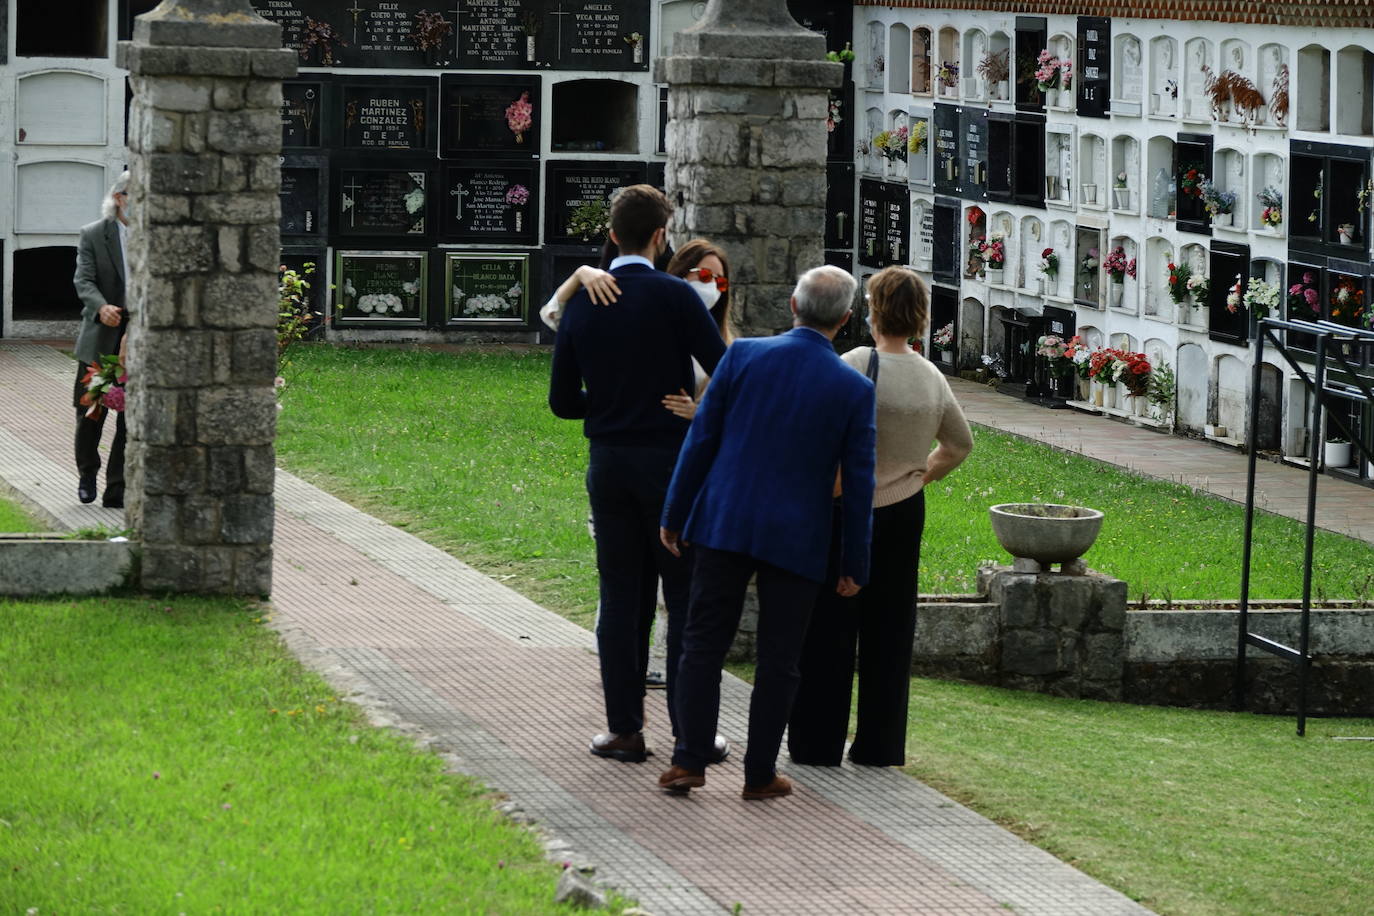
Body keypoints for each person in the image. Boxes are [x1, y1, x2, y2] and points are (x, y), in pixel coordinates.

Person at [657, 265, 877, 800]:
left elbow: (701, 440)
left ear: (791, 304)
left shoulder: (744, 355)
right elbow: (860, 482)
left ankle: (689, 759)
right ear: (846, 320)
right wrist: (854, 562)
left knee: (703, 644)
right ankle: (759, 774)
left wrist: (674, 512)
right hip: (797, 534)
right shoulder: (853, 387)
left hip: (726, 519)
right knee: (780, 660)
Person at [549, 185, 727, 766]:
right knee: (682, 596)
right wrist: (697, 411)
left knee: (621, 599)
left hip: (609, 464)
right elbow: (725, 372)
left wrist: (605, 406)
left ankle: (624, 730)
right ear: (659, 237)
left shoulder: (581, 306)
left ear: (611, 235)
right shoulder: (677, 298)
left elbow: (561, 402)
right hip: (670, 463)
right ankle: (688, 734)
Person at [789, 266, 973, 768]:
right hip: (905, 510)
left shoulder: (853, 363)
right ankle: (880, 745)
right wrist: (918, 477)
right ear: (920, 317)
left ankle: (816, 744)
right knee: (891, 632)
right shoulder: (932, 377)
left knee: (829, 628)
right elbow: (959, 445)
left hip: (848, 509)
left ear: (872, 311)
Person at [72, 172, 131, 509]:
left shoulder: (155, 236)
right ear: (120, 197)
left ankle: (117, 487)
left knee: (129, 417)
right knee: (91, 413)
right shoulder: (94, 234)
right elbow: (84, 279)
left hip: (136, 340)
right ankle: (87, 473)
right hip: (101, 338)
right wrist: (101, 306)